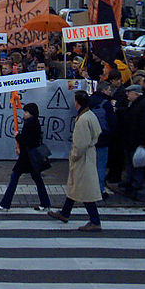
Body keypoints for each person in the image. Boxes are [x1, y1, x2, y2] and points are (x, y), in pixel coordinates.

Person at [49, 91, 103, 231]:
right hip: (88, 155)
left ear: (77, 102)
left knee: (84, 188)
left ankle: (95, 220)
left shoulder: (83, 120)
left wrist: (73, 156)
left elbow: (80, 144)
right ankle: (65, 212)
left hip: (83, 158)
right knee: (75, 186)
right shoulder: (90, 115)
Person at [0, 103, 51, 212]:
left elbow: (27, 141)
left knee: (15, 178)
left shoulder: (29, 124)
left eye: (26, 112)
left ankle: (5, 204)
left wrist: (18, 137)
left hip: (27, 158)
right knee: (37, 179)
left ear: (31, 114)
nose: (24, 114)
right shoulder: (34, 122)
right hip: (31, 157)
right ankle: (45, 203)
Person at [121, 84, 145, 195]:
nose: (127, 94)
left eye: (129, 92)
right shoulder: (135, 104)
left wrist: (143, 141)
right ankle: (130, 181)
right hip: (131, 139)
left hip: (137, 140)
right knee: (131, 162)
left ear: (136, 93)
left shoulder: (143, 105)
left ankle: (135, 183)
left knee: (137, 163)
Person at [88, 81, 116, 198]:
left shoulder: (89, 101)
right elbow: (112, 122)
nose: (110, 93)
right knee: (100, 165)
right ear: (103, 90)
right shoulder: (106, 103)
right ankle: (99, 190)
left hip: (89, 137)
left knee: (90, 165)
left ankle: (88, 188)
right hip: (103, 138)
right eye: (109, 90)